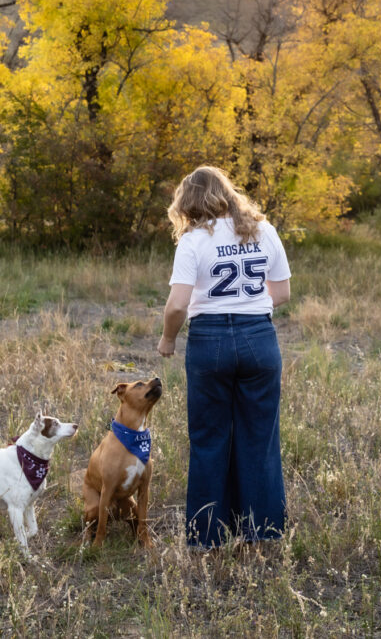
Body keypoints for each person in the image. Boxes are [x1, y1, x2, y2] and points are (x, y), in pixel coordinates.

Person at [157, 165, 291, 549]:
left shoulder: (194, 240)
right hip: (259, 339)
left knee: (209, 438)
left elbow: (177, 305)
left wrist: (168, 340)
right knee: (259, 438)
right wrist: (248, 305)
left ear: (189, 202)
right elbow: (281, 294)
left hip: (209, 341)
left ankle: (206, 538)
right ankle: (262, 532)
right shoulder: (264, 230)